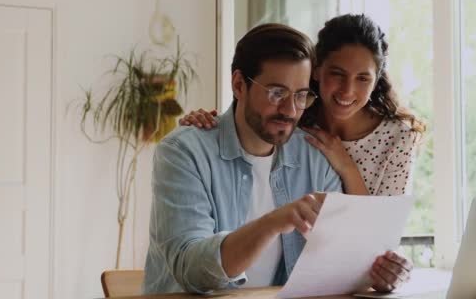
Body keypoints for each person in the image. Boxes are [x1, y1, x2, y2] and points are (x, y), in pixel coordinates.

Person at [144, 22, 412, 295]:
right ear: (239, 85)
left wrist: (378, 271)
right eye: (276, 93)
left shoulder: (315, 157)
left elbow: (342, 263)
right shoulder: (184, 153)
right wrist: (272, 222)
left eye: (300, 95)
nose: (290, 110)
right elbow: (192, 271)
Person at [180, 13, 426, 198]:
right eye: (337, 74)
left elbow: (377, 234)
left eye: (363, 78)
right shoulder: (294, 116)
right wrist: (206, 124)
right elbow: (247, 118)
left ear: (376, 81)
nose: (347, 90)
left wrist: (347, 167)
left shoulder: (398, 138)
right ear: (317, 70)